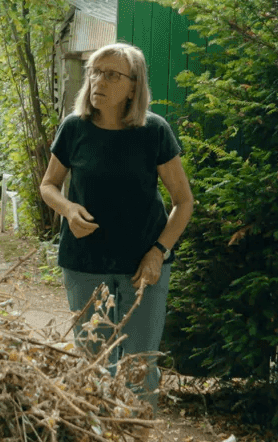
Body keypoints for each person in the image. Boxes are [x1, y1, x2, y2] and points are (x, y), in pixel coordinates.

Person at [38, 42, 195, 404]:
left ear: (133, 86)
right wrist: (68, 209)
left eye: (111, 74)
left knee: (139, 368)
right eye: (94, 71)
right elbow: (48, 185)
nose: (98, 80)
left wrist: (158, 252)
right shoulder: (74, 128)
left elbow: (183, 202)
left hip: (143, 266)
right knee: (93, 367)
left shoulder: (154, 131)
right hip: (84, 264)